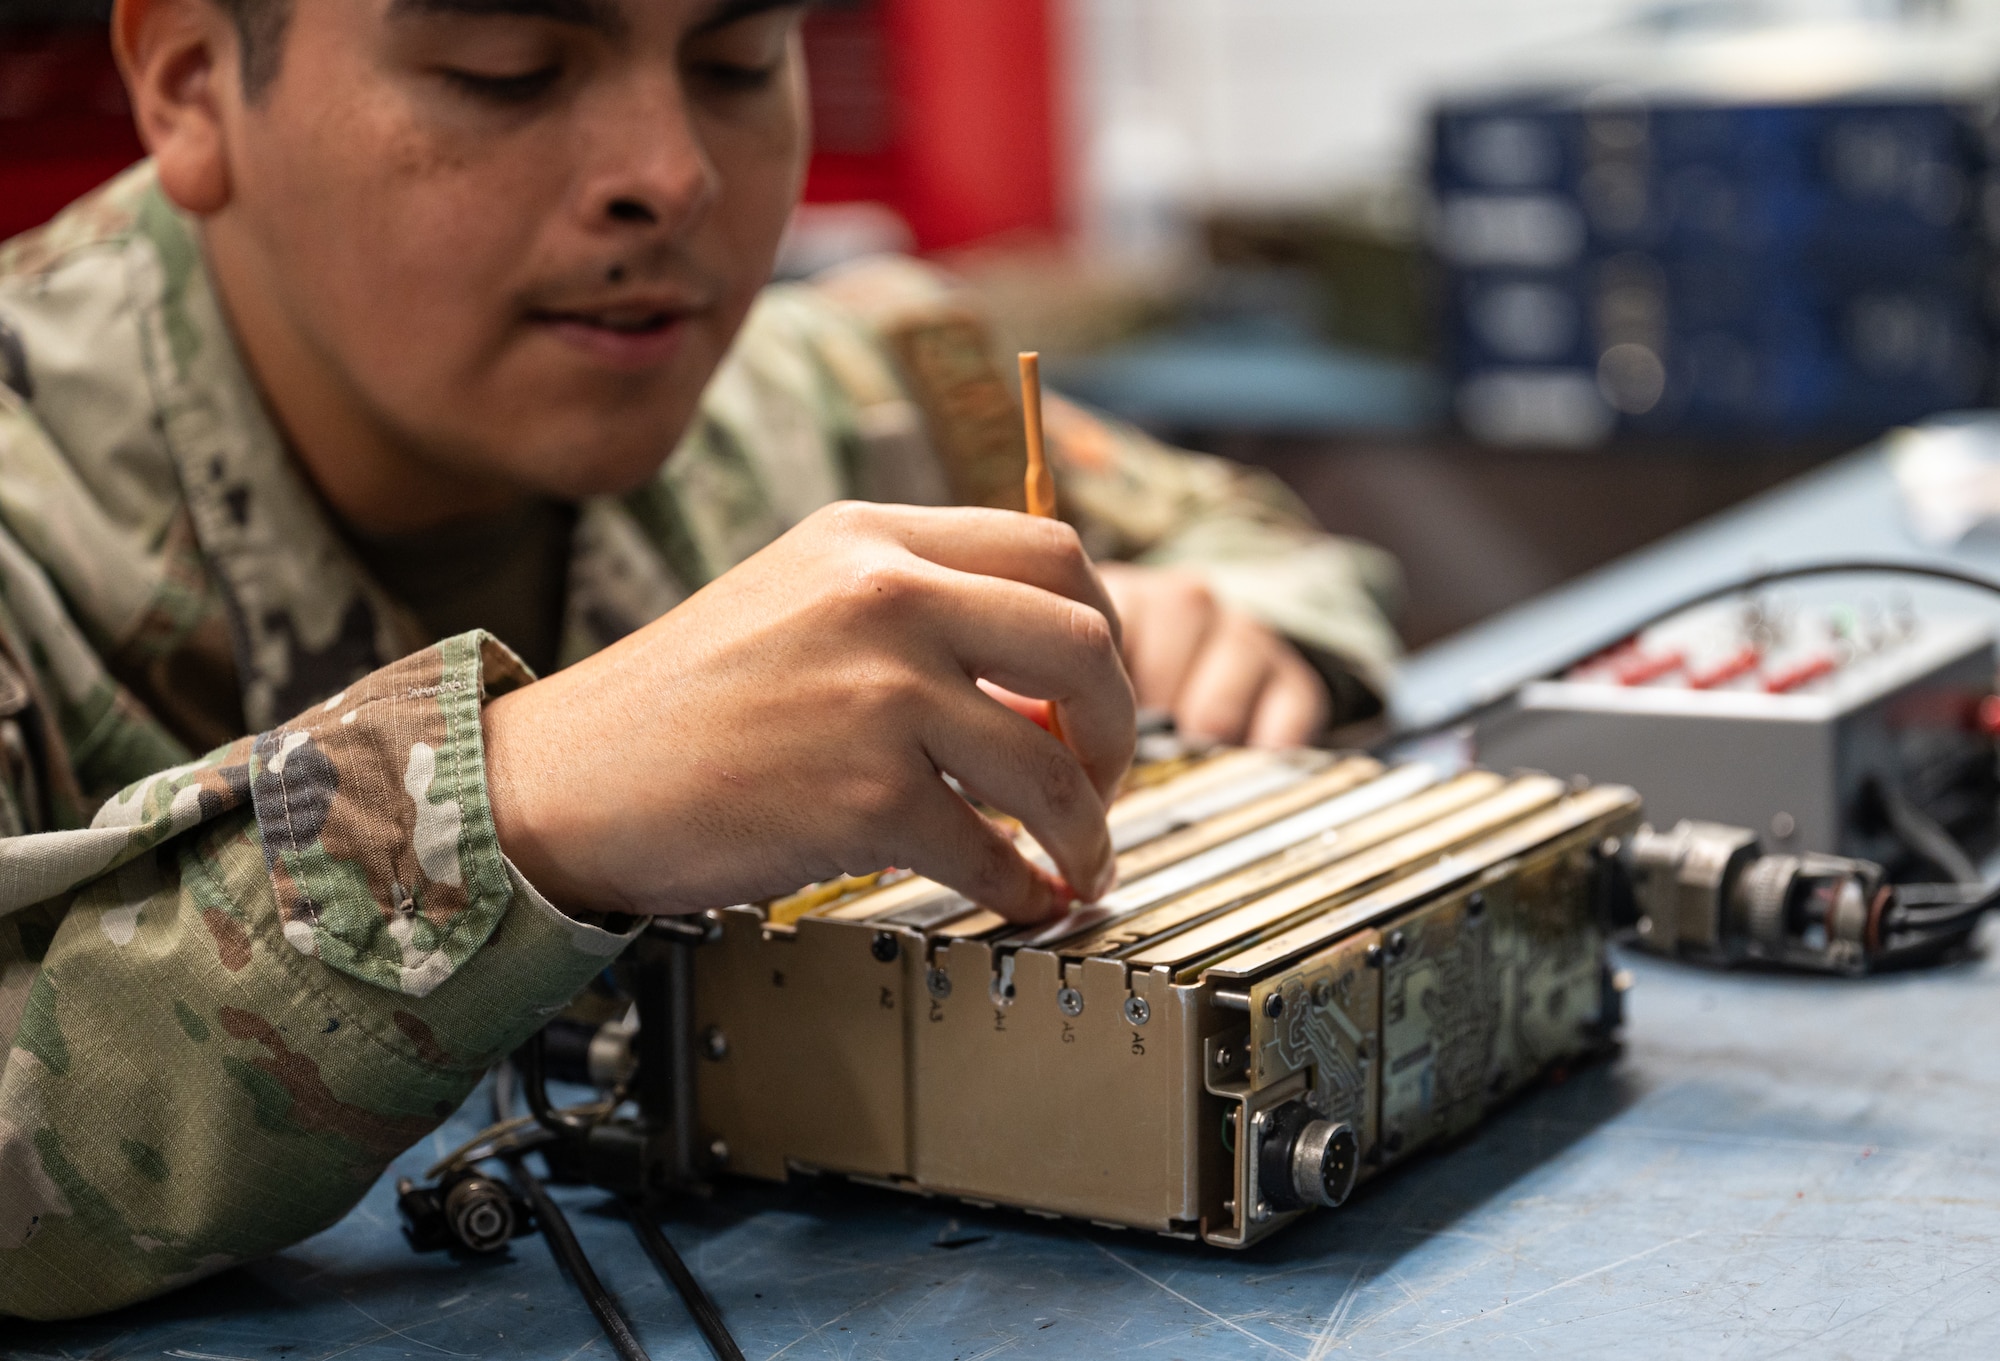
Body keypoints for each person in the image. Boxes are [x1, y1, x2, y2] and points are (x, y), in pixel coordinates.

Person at [0, 0, 1401, 1320]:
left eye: (737, 62)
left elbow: (1254, 545)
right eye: (507, 67)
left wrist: (1221, 628)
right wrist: (512, 803)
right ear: (191, 80)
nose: (670, 176)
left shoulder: (825, 397)